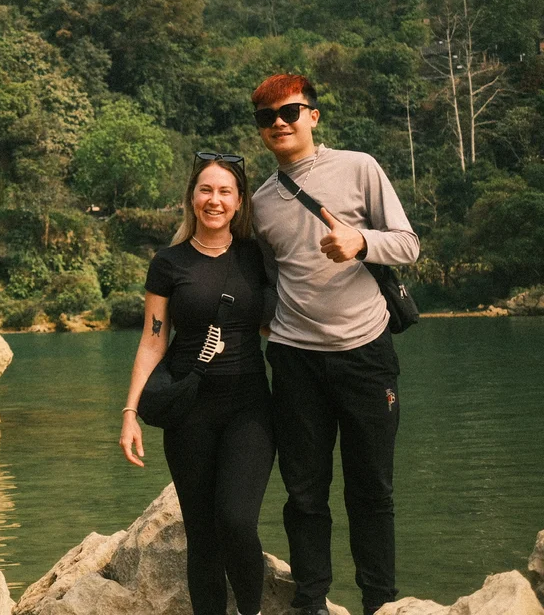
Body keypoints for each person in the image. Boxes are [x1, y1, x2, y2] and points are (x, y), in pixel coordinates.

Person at [250, 74, 419, 615]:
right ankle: (311, 602)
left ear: (313, 116)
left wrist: (361, 240)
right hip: (296, 360)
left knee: (372, 490)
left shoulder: (358, 167)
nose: (279, 122)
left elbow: (408, 244)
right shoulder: (260, 202)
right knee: (303, 494)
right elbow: (269, 279)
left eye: (289, 111)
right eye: (266, 117)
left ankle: (379, 603)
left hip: (366, 353)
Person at [120, 152, 275, 615]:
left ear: (239, 200)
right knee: (202, 534)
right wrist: (130, 413)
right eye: (206, 190)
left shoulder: (256, 256)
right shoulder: (168, 263)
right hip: (189, 409)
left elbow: (286, 315)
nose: (215, 200)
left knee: (237, 520)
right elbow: (152, 340)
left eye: (225, 191)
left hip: (250, 406)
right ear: (192, 197)